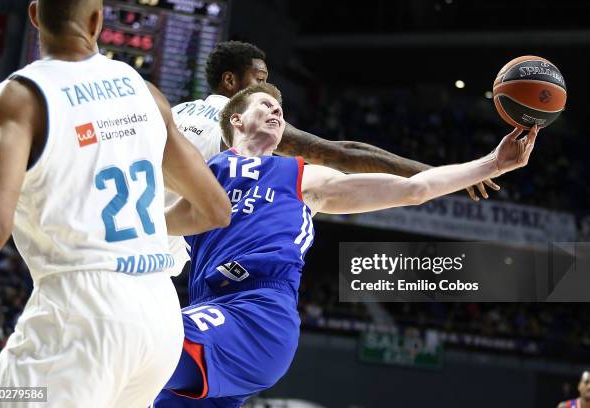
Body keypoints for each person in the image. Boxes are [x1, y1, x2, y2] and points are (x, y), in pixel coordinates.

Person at [155, 83, 539, 407]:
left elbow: (413, 190)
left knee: (149, 338)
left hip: (258, 315)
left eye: (281, 108)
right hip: (209, 310)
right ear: (235, 120)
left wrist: (493, 163)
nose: (277, 111)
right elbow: (151, 225)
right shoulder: (206, 176)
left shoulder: (301, 176)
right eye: (265, 104)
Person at [0, 0, 230, 406]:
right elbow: (215, 210)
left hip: (81, 313)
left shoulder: (21, 96)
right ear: (97, 21)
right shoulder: (146, 94)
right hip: (159, 316)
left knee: (3, 395)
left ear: (34, 14)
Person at [166, 40, 498, 271]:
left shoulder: (177, 111)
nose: (266, 90)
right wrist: (433, 170)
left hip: (142, 232)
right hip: (165, 252)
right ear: (230, 81)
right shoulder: (243, 118)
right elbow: (343, 153)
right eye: (260, 80)